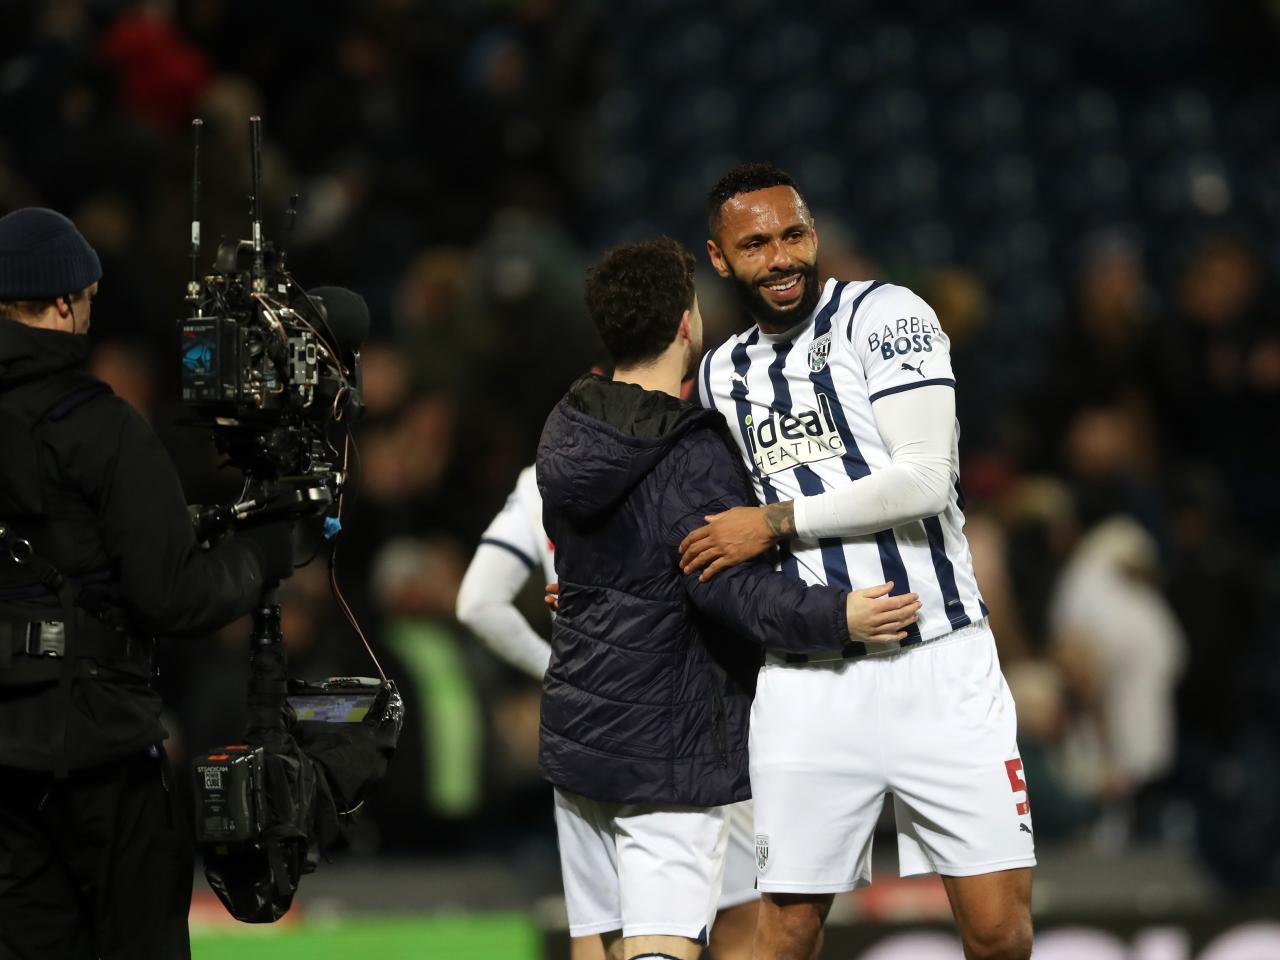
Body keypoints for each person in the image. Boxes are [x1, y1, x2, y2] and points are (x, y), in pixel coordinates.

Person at [679, 163, 1035, 960]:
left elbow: (923, 479)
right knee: (786, 931)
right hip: (809, 684)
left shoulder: (886, 313)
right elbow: (679, 505)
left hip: (941, 665)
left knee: (1000, 933)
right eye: (756, 243)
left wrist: (772, 521)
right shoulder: (719, 375)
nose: (780, 258)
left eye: (793, 235)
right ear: (721, 258)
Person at [535, 237, 921, 960]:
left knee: (602, 941)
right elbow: (728, 589)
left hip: (579, 722)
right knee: (661, 942)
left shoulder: (567, 428)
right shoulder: (690, 450)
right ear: (687, 324)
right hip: (666, 732)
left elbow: (600, 554)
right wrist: (840, 618)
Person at [0, 207, 294, 959]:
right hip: (100, 757)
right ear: (64, 302)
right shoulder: (103, 428)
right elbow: (176, 597)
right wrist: (262, 555)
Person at [457, 464, 758, 960]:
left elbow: (477, 604)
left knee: (602, 924)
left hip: (585, 724)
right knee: (736, 922)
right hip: (689, 719)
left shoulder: (541, 477)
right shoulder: (691, 461)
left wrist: (563, 669)